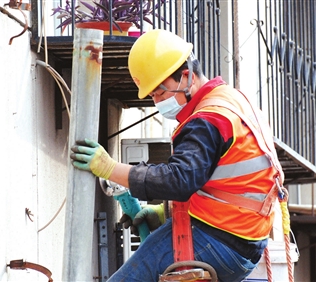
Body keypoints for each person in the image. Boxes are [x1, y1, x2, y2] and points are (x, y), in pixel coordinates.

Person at [70, 29, 285, 282]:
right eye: (152, 96)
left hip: (221, 239)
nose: (158, 101)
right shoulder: (233, 100)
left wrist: (109, 168)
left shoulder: (208, 119)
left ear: (186, 76)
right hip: (244, 240)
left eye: (161, 92)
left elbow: (179, 180)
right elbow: (222, 181)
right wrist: (164, 214)